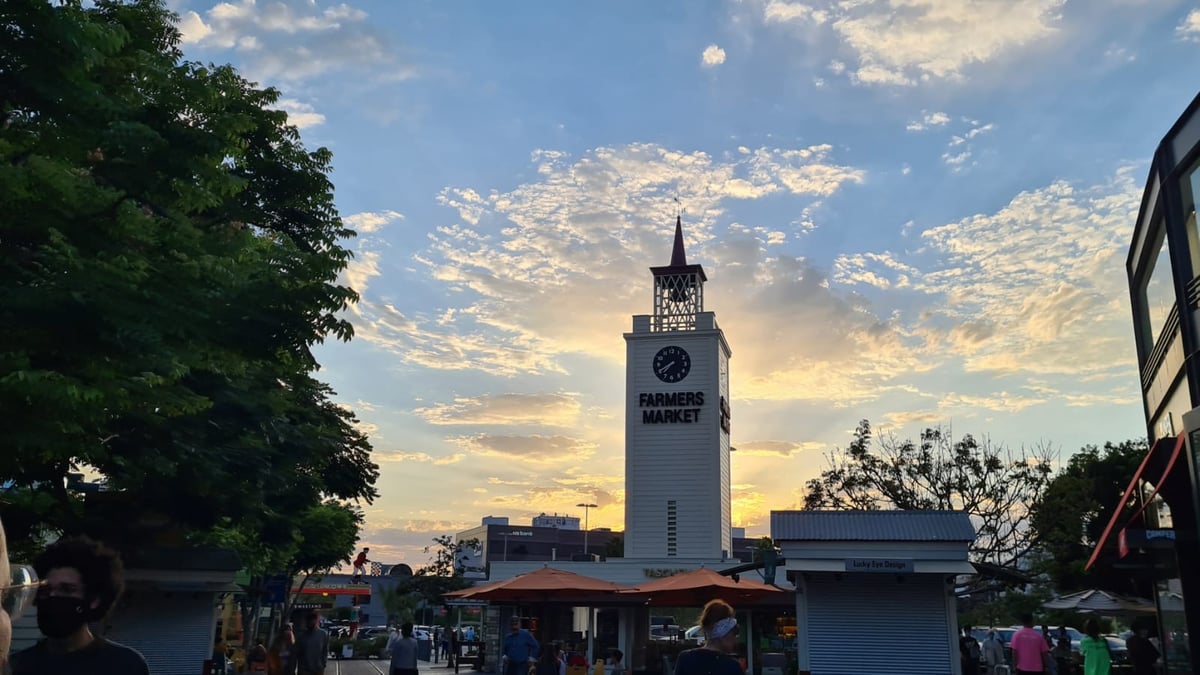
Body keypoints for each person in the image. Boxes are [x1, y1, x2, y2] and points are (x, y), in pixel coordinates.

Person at [10, 536, 150, 675]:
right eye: (45, 590)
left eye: (67, 589)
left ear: (94, 600)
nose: (52, 597)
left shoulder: (126, 665)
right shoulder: (16, 666)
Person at [675, 599, 743, 675]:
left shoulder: (685, 659)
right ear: (723, 633)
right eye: (734, 631)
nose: (736, 638)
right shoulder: (731, 667)